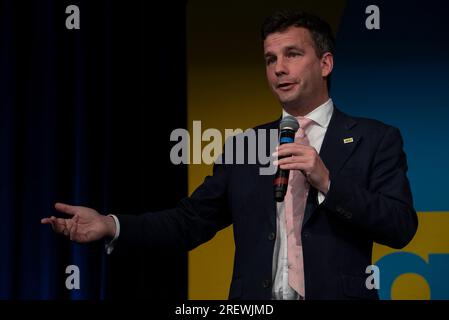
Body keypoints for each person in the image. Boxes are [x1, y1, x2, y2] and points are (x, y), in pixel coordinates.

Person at [42, 10, 418, 300]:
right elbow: (189, 222)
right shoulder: (245, 146)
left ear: (325, 64)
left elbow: (400, 227)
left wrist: (327, 182)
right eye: (270, 59)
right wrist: (112, 224)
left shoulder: (375, 139)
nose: (279, 69)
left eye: (292, 54)